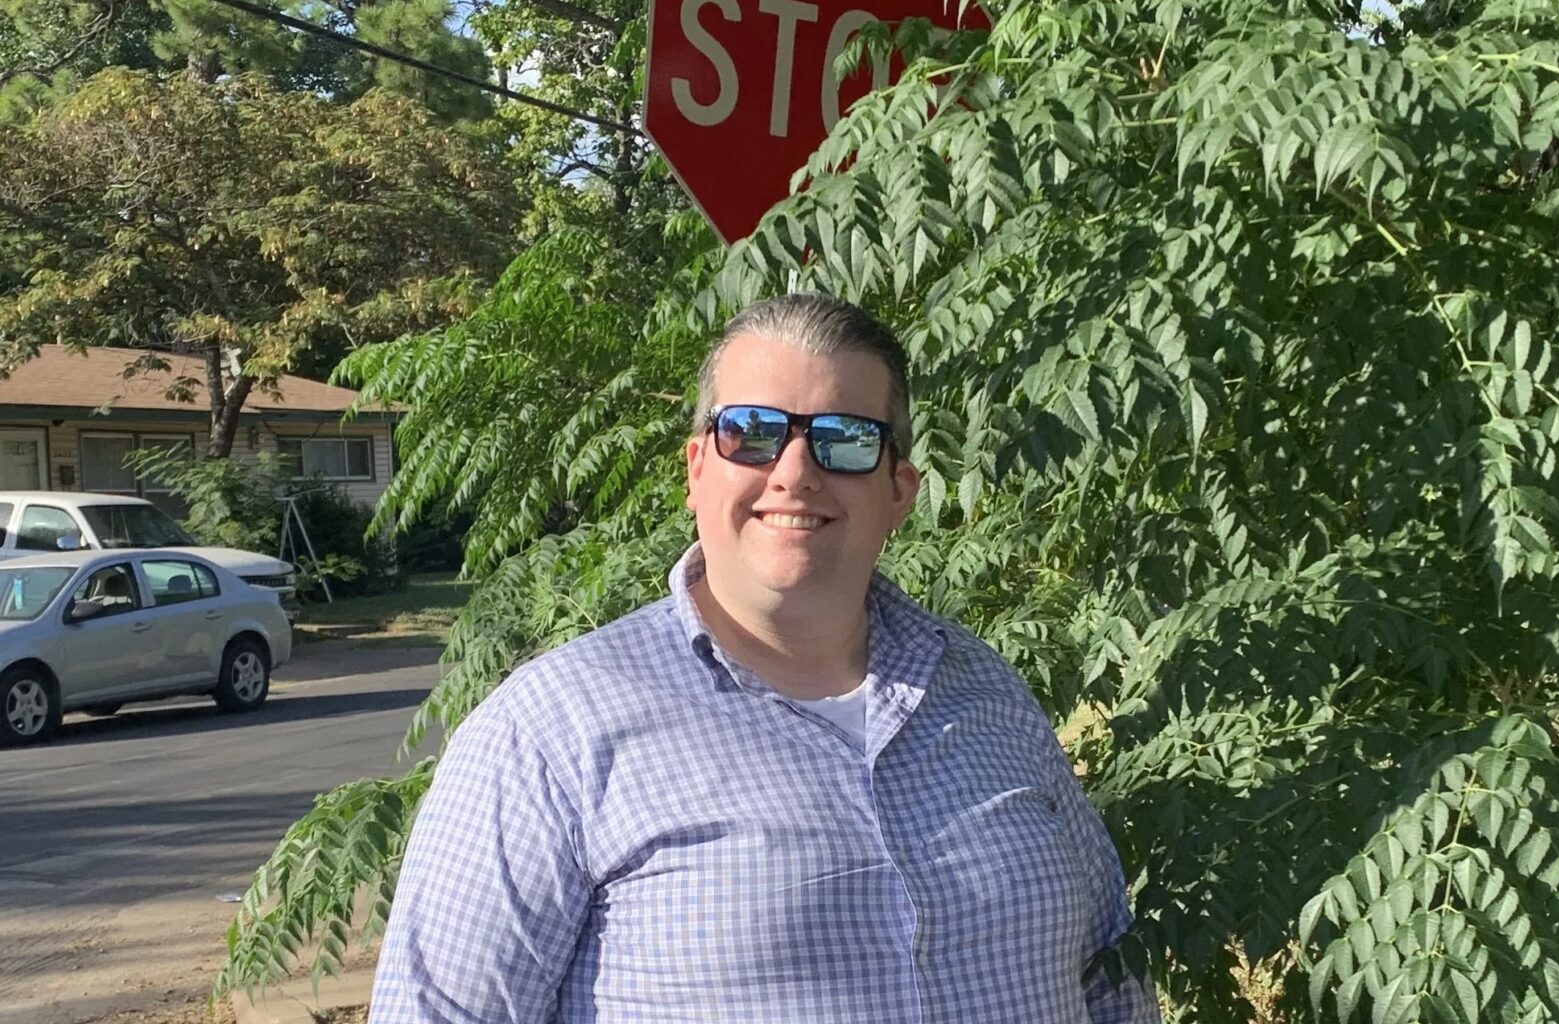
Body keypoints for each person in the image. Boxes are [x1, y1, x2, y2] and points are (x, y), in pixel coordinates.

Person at [369, 293, 1158, 1023]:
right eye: (751, 431)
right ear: (696, 469)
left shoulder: (987, 692)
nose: (795, 472)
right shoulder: (549, 733)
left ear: (900, 490)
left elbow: (1110, 977)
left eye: (845, 440)